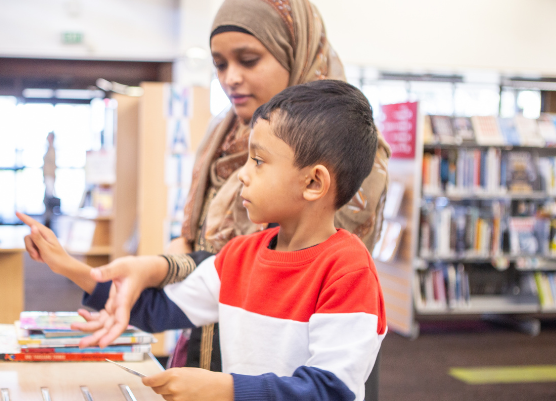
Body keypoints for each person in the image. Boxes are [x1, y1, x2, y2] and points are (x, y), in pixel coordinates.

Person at [19, 0, 391, 373]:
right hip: (213, 346)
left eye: (248, 60)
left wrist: (159, 268)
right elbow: (208, 257)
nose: (230, 77)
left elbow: (321, 371)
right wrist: (79, 267)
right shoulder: (224, 134)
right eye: (220, 64)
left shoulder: (344, 158)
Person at [24, 80, 386, 401]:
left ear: (313, 183)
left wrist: (224, 389)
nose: (243, 175)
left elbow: (330, 391)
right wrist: (69, 267)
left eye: (258, 161)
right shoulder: (240, 256)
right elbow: (157, 309)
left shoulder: (348, 272)